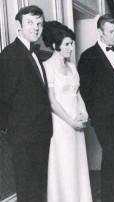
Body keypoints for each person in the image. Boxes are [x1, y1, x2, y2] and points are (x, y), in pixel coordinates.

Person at [0, 5, 52, 202]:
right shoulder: (9, 54)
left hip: (41, 132)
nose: (36, 28)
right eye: (30, 22)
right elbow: (3, 96)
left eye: (39, 23)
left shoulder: (37, 53)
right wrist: (9, 129)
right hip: (23, 135)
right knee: (27, 188)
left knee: (39, 187)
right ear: (18, 25)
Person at [78, 14, 114, 202]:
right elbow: (84, 90)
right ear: (100, 32)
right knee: (112, 156)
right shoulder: (88, 56)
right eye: (111, 31)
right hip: (103, 119)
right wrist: (95, 117)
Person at [42, 21, 92, 202]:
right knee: (65, 165)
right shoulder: (47, 67)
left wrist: (84, 112)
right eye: (67, 44)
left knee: (77, 164)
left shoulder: (71, 67)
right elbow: (51, 101)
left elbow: (76, 92)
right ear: (55, 45)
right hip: (61, 125)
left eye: (72, 43)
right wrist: (71, 121)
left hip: (77, 123)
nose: (71, 48)